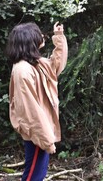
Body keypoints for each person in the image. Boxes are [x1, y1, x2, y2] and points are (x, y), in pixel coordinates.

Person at [6, 21, 68, 181]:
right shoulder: (22, 70)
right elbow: (29, 110)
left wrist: (59, 38)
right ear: (29, 41)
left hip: (41, 131)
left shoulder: (36, 63)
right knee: (33, 176)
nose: (42, 36)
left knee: (37, 175)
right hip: (37, 133)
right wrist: (45, 139)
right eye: (37, 34)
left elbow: (55, 66)